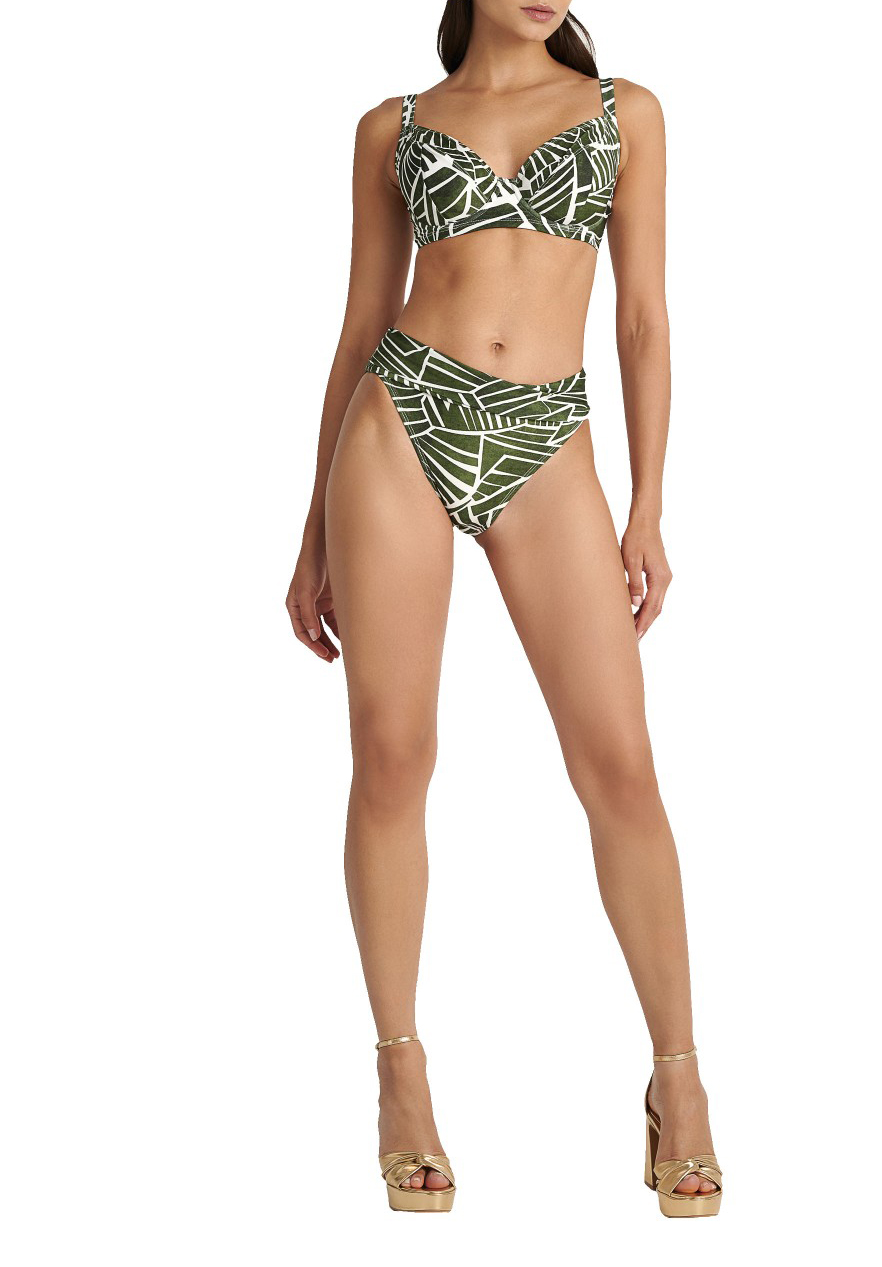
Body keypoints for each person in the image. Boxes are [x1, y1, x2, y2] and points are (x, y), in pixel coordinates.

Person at [286, 0, 721, 1217]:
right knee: (392, 754)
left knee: (620, 766)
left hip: (547, 441)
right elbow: (360, 325)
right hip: (401, 421)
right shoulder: (393, 127)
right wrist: (311, 526)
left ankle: (678, 1079)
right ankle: (401, 1075)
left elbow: (643, 316)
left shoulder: (624, 113)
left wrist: (647, 506)